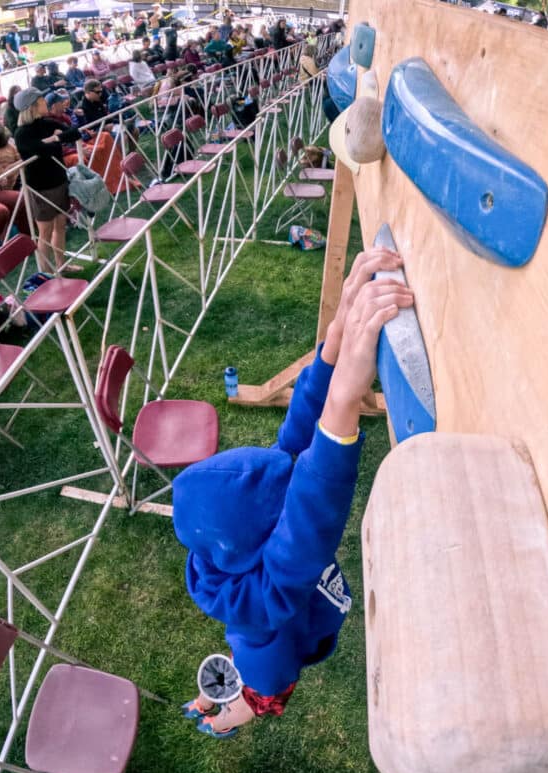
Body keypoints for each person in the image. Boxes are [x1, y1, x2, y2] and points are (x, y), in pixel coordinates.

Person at [174, 247, 413, 737]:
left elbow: (293, 443)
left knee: (242, 653)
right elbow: (306, 528)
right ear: (258, 543)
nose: (293, 476)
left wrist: (336, 339)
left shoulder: (237, 548)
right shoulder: (266, 602)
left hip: (260, 631)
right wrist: (344, 399)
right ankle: (230, 713)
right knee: (259, 694)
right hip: (269, 664)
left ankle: (211, 696)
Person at [13, 87, 84, 273]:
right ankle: (47, 274)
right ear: (33, 106)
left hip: (59, 180)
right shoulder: (21, 133)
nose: (46, 103)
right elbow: (44, 151)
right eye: (42, 101)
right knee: (45, 232)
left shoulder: (46, 123)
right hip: (41, 187)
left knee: (60, 225)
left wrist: (54, 138)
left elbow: (75, 133)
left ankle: (61, 265)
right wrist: (54, 140)